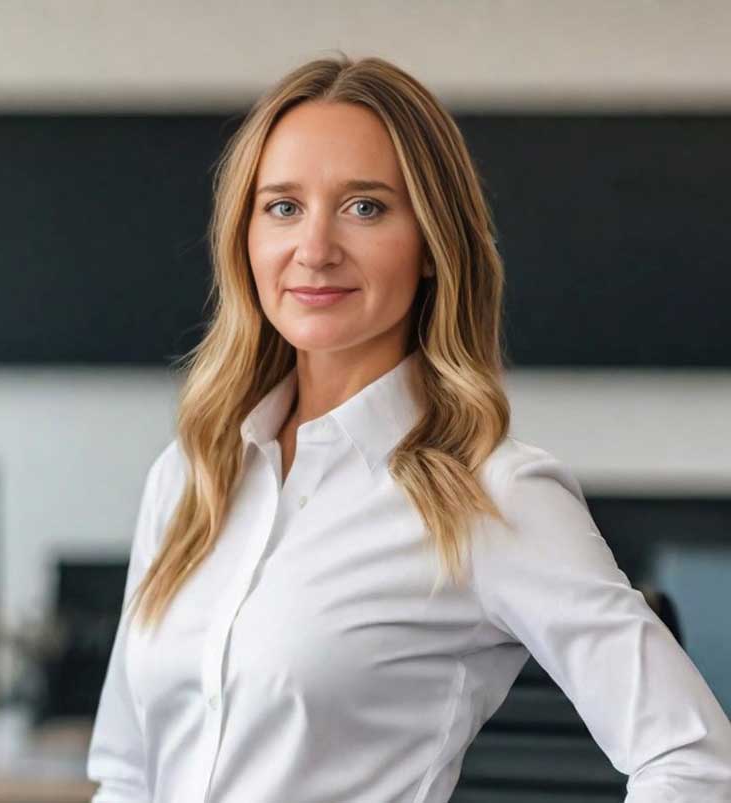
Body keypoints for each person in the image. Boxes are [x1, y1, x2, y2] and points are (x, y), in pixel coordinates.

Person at [86, 53, 731, 802]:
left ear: (431, 244)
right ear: (245, 238)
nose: (315, 249)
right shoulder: (190, 473)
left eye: (365, 206)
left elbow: (693, 760)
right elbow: (128, 775)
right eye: (283, 206)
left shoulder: (493, 493)